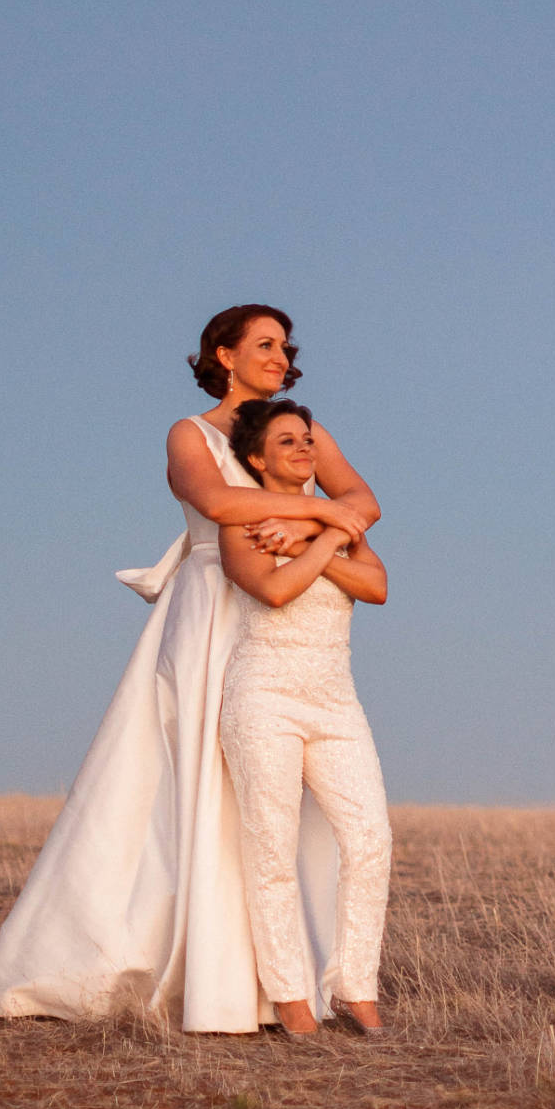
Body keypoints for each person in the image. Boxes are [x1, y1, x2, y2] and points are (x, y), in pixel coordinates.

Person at [0, 305, 379, 1031]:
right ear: (222, 355)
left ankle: (285, 981)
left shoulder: (304, 432)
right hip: (210, 612)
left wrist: (308, 518)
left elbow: (363, 501)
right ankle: (200, 972)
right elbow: (218, 501)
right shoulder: (190, 433)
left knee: (281, 810)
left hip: (289, 629)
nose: (279, 357)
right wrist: (316, 518)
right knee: (193, 787)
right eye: (263, 345)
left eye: (285, 347)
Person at [218, 397, 392, 1040]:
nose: (304, 450)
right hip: (264, 696)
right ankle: (290, 996)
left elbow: (377, 587)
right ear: (258, 459)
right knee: (272, 848)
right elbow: (274, 589)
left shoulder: (332, 523)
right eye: (287, 442)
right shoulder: (243, 524)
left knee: (371, 839)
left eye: (308, 440)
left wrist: (315, 534)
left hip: (337, 700)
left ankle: (357, 988)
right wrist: (327, 534)